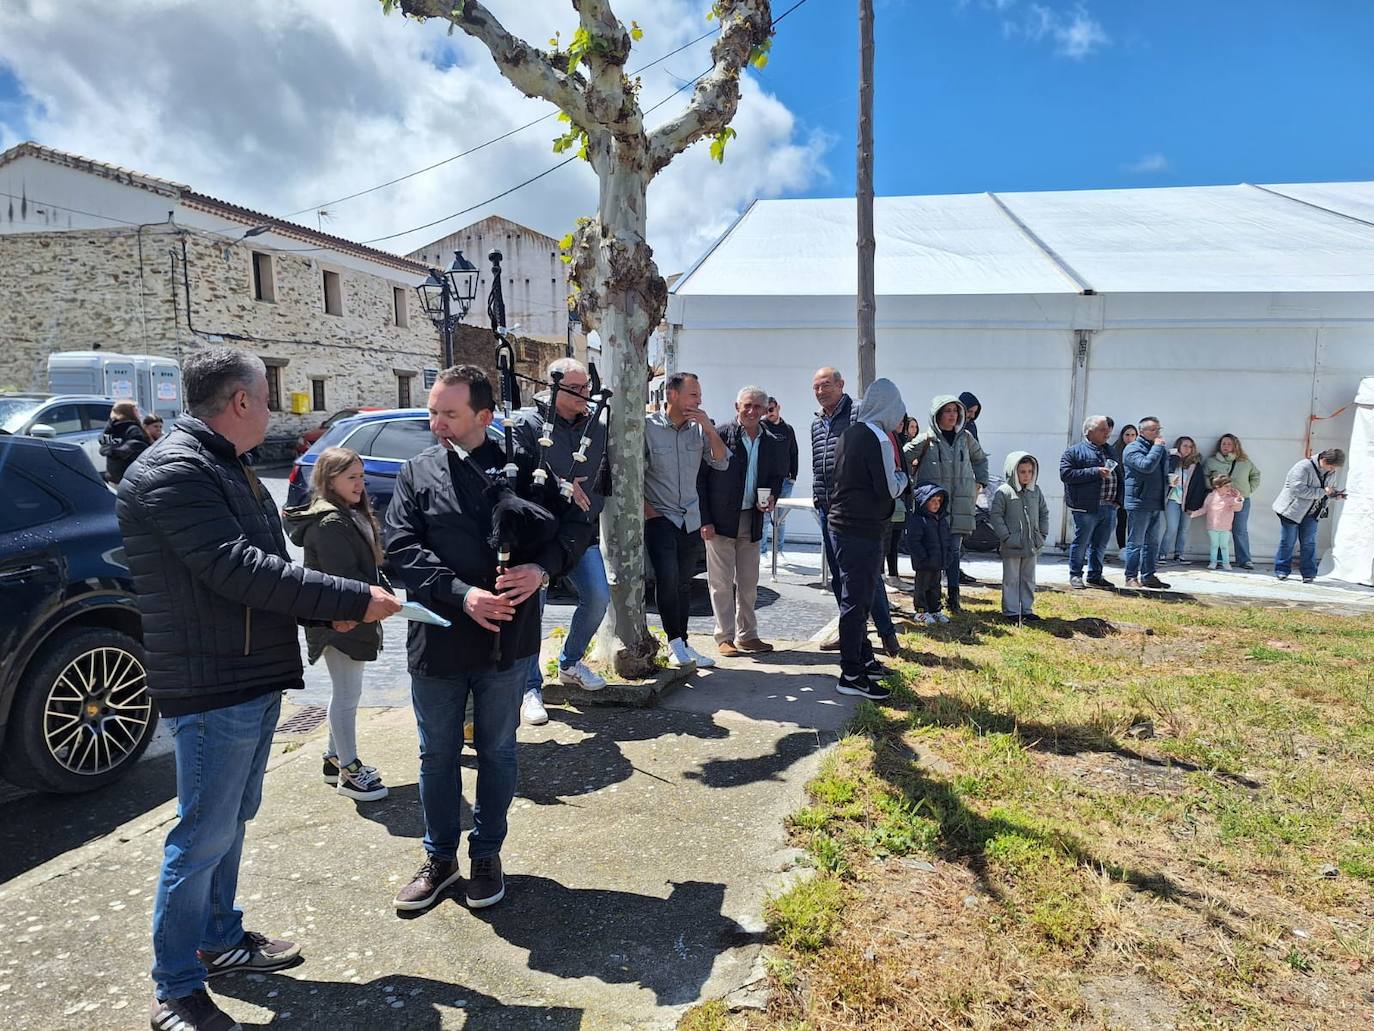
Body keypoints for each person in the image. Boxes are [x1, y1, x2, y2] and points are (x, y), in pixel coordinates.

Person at [116, 347, 399, 1031]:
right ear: (240, 402)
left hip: (244, 674)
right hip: (212, 683)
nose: (272, 409)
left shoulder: (218, 465)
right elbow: (237, 569)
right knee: (201, 835)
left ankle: (218, 938)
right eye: (267, 397)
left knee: (230, 821)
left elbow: (264, 570)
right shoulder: (176, 470)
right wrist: (350, 596)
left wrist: (322, 608)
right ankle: (176, 987)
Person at [384, 365, 582, 914]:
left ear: (483, 416)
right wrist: (461, 593)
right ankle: (439, 859)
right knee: (436, 754)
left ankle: (487, 854)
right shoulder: (416, 473)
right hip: (440, 636)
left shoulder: (525, 468)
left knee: (497, 751)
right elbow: (401, 545)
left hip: (506, 639)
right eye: (432, 411)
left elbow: (572, 529)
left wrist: (541, 570)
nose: (436, 422)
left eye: (449, 413)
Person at [283, 446, 390, 802]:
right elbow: (342, 579)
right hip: (340, 620)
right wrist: (362, 607)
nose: (360, 484)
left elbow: (367, 570)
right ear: (330, 481)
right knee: (346, 695)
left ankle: (333, 760)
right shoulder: (331, 523)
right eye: (352, 478)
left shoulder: (348, 514)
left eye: (361, 476)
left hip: (350, 616)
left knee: (347, 692)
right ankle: (350, 770)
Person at [509, 357, 611, 725]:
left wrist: (589, 500)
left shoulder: (597, 426)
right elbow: (519, 478)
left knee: (598, 597)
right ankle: (529, 688)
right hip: (536, 535)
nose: (587, 394)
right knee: (530, 615)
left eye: (587, 387)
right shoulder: (525, 424)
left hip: (579, 532)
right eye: (578, 389)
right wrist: (563, 487)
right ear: (555, 387)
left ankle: (569, 662)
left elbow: (603, 476)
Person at [810, 367, 901, 657]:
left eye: (825, 385)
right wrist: (817, 496)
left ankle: (886, 634)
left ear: (841, 384)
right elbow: (819, 465)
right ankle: (854, 637)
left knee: (867, 578)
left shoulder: (860, 415)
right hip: (828, 508)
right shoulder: (816, 424)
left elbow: (884, 457)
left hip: (856, 512)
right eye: (816, 388)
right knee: (840, 578)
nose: (820, 391)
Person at [827, 378, 907, 700]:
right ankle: (851, 675)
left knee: (853, 598)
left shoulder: (850, 431)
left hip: (841, 526)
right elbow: (889, 487)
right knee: (856, 603)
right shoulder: (879, 438)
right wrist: (904, 479)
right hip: (862, 529)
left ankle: (863, 660)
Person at [644, 372, 730, 669]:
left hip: (689, 518)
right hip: (660, 516)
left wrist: (708, 428)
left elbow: (721, 461)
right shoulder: (648, 427)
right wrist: (648, 511)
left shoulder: (699, 430)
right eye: (693, 394)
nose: (699, 400)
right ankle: (673, 643)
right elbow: (632, 474)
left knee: (683, 584)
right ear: (673, 395)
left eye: (699, 394)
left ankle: (682, 641)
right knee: (666, 580)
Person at [699, 386, 786, 657]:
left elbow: (776, 477)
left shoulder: (772, 440)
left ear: (766, 410)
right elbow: (700, 479)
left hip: (753, 518)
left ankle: (748, 635)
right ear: (737, 407)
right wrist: (705, 519)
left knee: (749, 582)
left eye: (758, 407)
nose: (751, 411)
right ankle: (724, 637)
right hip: (720, 519)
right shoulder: (720, 434)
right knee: (721, 583)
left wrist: (772, 497)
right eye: (747, 406)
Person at [905, 394, 989, 612]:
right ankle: (926, 602)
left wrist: (980, 481)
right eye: (947, 411)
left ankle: (953, 598)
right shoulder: (926, 439)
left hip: (960, 503)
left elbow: (980, 459)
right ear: (937, 414)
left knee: (952, 552)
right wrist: (907, 481)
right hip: (934, 507)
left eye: (955, 411)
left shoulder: (966, 438)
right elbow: (901, 457)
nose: (952, 415)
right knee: (931, 553)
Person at [1060, 414, 1119, 590]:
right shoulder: (1074, 451)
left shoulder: (1110, 450)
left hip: (1109, 505)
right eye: (1102, 429)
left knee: (1100, 544)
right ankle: (1076, 575)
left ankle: (1095, 575)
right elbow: (1066, 475)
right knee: (1082, 542)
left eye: (1108, 430)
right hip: (1086, 506)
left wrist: (1118, 500)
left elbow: (1120, 475)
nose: (1107, 433)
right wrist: (1094, 472)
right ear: (1089, 431)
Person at [1272, 448, 1346, 583]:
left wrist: (1336, 495)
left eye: (1334, 468)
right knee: (1288, 542)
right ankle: (1282, 570)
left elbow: (1328, 491)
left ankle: (1309, 573)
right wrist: (1323, 491)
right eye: (1331, 466)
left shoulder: (1331, 471)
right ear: (1323, 460)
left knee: (1309, 543)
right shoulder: (1303, 467)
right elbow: (1298, 490)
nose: (1332, 470)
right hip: (1291, 511)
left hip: (1312, 512)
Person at [990, 451, 1049, 620]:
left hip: (1031, 544)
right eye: (1022, 472)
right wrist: (1006, 537)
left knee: (1028, 578)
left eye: (1030, 472)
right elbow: (996, 516)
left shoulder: (1035, 491)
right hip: (1012, 545)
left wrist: (1042, 534)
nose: (1026, 475)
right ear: (1013, 471)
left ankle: (1027, 609)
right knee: (1011, 579)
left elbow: (1043, 512)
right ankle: (1011, 610)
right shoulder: (1004, 492)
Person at [1122, 417, 1173, 590]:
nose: (1157, 433)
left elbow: (1159, 471)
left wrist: (1169, 481)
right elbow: (1146, 466)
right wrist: (1158, 447)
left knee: (1152, 543)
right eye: (1153, 430)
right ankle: (1130, 577)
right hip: (1139, 502)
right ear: (1141, 431)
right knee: (1135, 542)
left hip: (1156, 501)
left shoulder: (1158, 449)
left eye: (1159, 429)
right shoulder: (1132, 449)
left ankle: (1148, 575)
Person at [1204, 434, 1261, 570]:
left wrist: (1248, 490)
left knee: (1240, 529)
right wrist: (1213, 487)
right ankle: (1217, 559)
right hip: (1220, 501)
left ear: (1235, 446)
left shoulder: (1245, 462)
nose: (1226, 446)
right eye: (1223, 443)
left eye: (1229, 444)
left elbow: (1256, 475)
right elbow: (1204, 476)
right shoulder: (1211, 461)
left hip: (1240, 500)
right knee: (1218, 528)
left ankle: (1244, 560)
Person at [906, 483, 952, 626]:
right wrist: (922, 557)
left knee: (935, 587)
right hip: (924, 563)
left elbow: (947, 540)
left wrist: (948, 555)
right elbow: (913, 541)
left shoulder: (941, 520)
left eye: (939, 501)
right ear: (923, 502)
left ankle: (934, 610)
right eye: (932, 501)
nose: (936, 504)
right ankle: (921, 611)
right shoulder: (918, 520)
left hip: (938, 562)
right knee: (922, 588)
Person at [761, 396, 798, 552]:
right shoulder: (761, 427)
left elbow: (794, 453)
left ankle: (779, 550)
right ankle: (762, 552)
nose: (769, 413)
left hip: (784, 481)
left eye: (771, 409)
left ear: (778, 407)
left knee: (780, 519)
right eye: (765, 411)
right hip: (765, 481)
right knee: (763, 518)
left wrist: (793, 477)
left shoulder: (788, 429)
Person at [1162, 436, 1207, 564]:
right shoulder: (1171, 460)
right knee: (1172, 527)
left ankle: (1179, 554)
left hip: (1188, 501)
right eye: (1185, 446)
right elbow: (1165, 474)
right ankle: (1162, 554)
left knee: (1184, 529)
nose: (1187, 449)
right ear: (1178, 446)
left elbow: (1199, 486)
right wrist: (1175, 458)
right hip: (1172, 499)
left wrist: (1194, 505)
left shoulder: (1195, 465)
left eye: (1190, 446)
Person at [1190, 474, 1244, 570]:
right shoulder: (1211, 496)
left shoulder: (1230, 497)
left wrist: (1238, 499)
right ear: (1217, 486)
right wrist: (1193, 514)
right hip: (1213, 526)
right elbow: (1205, 509)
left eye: (1230, 486)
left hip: (1225, 527)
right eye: (1226, 486)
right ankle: (1213, 562)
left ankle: (1226, 563)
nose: (1229, 488)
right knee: (1214, 545)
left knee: (1224, 546)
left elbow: (1237, 508)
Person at [99, 400, 152, 484]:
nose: (139, 414)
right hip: (131, 477)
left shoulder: (110, 429)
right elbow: (141, 448)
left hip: (113, 476)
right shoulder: (132, 429)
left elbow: (104, 446)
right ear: (129, 412)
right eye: (136, 410)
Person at [1110, 424, 1137, 558]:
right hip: (1119, 492)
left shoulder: (1139, 451)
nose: (1130, 438)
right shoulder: (1115, 450)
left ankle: (1133, 550)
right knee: (1121, 521)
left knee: (1134, 523)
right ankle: (1123, 549)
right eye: (1127, 435)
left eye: (1133, 435)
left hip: (1135, 492)